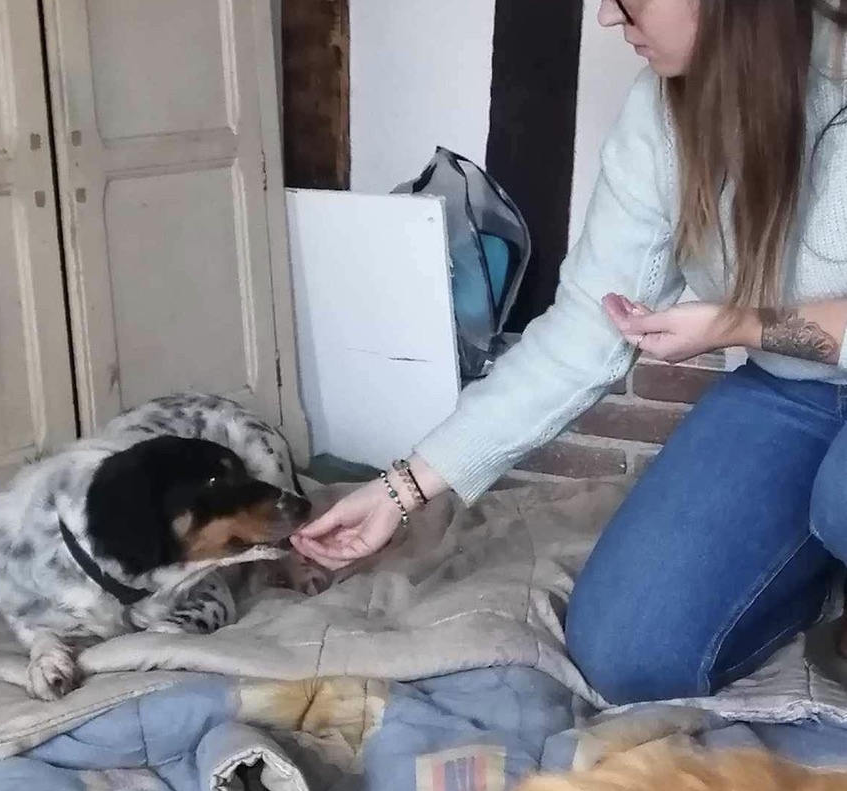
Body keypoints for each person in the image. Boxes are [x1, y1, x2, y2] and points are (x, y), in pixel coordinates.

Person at [293, 0, 847, 706]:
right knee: (629, 652)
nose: (610, 20)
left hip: (796, 383)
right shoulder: (664, 112)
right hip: (793, 391)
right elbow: (586, 330)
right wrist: (401, 489)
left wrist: (744, 325)